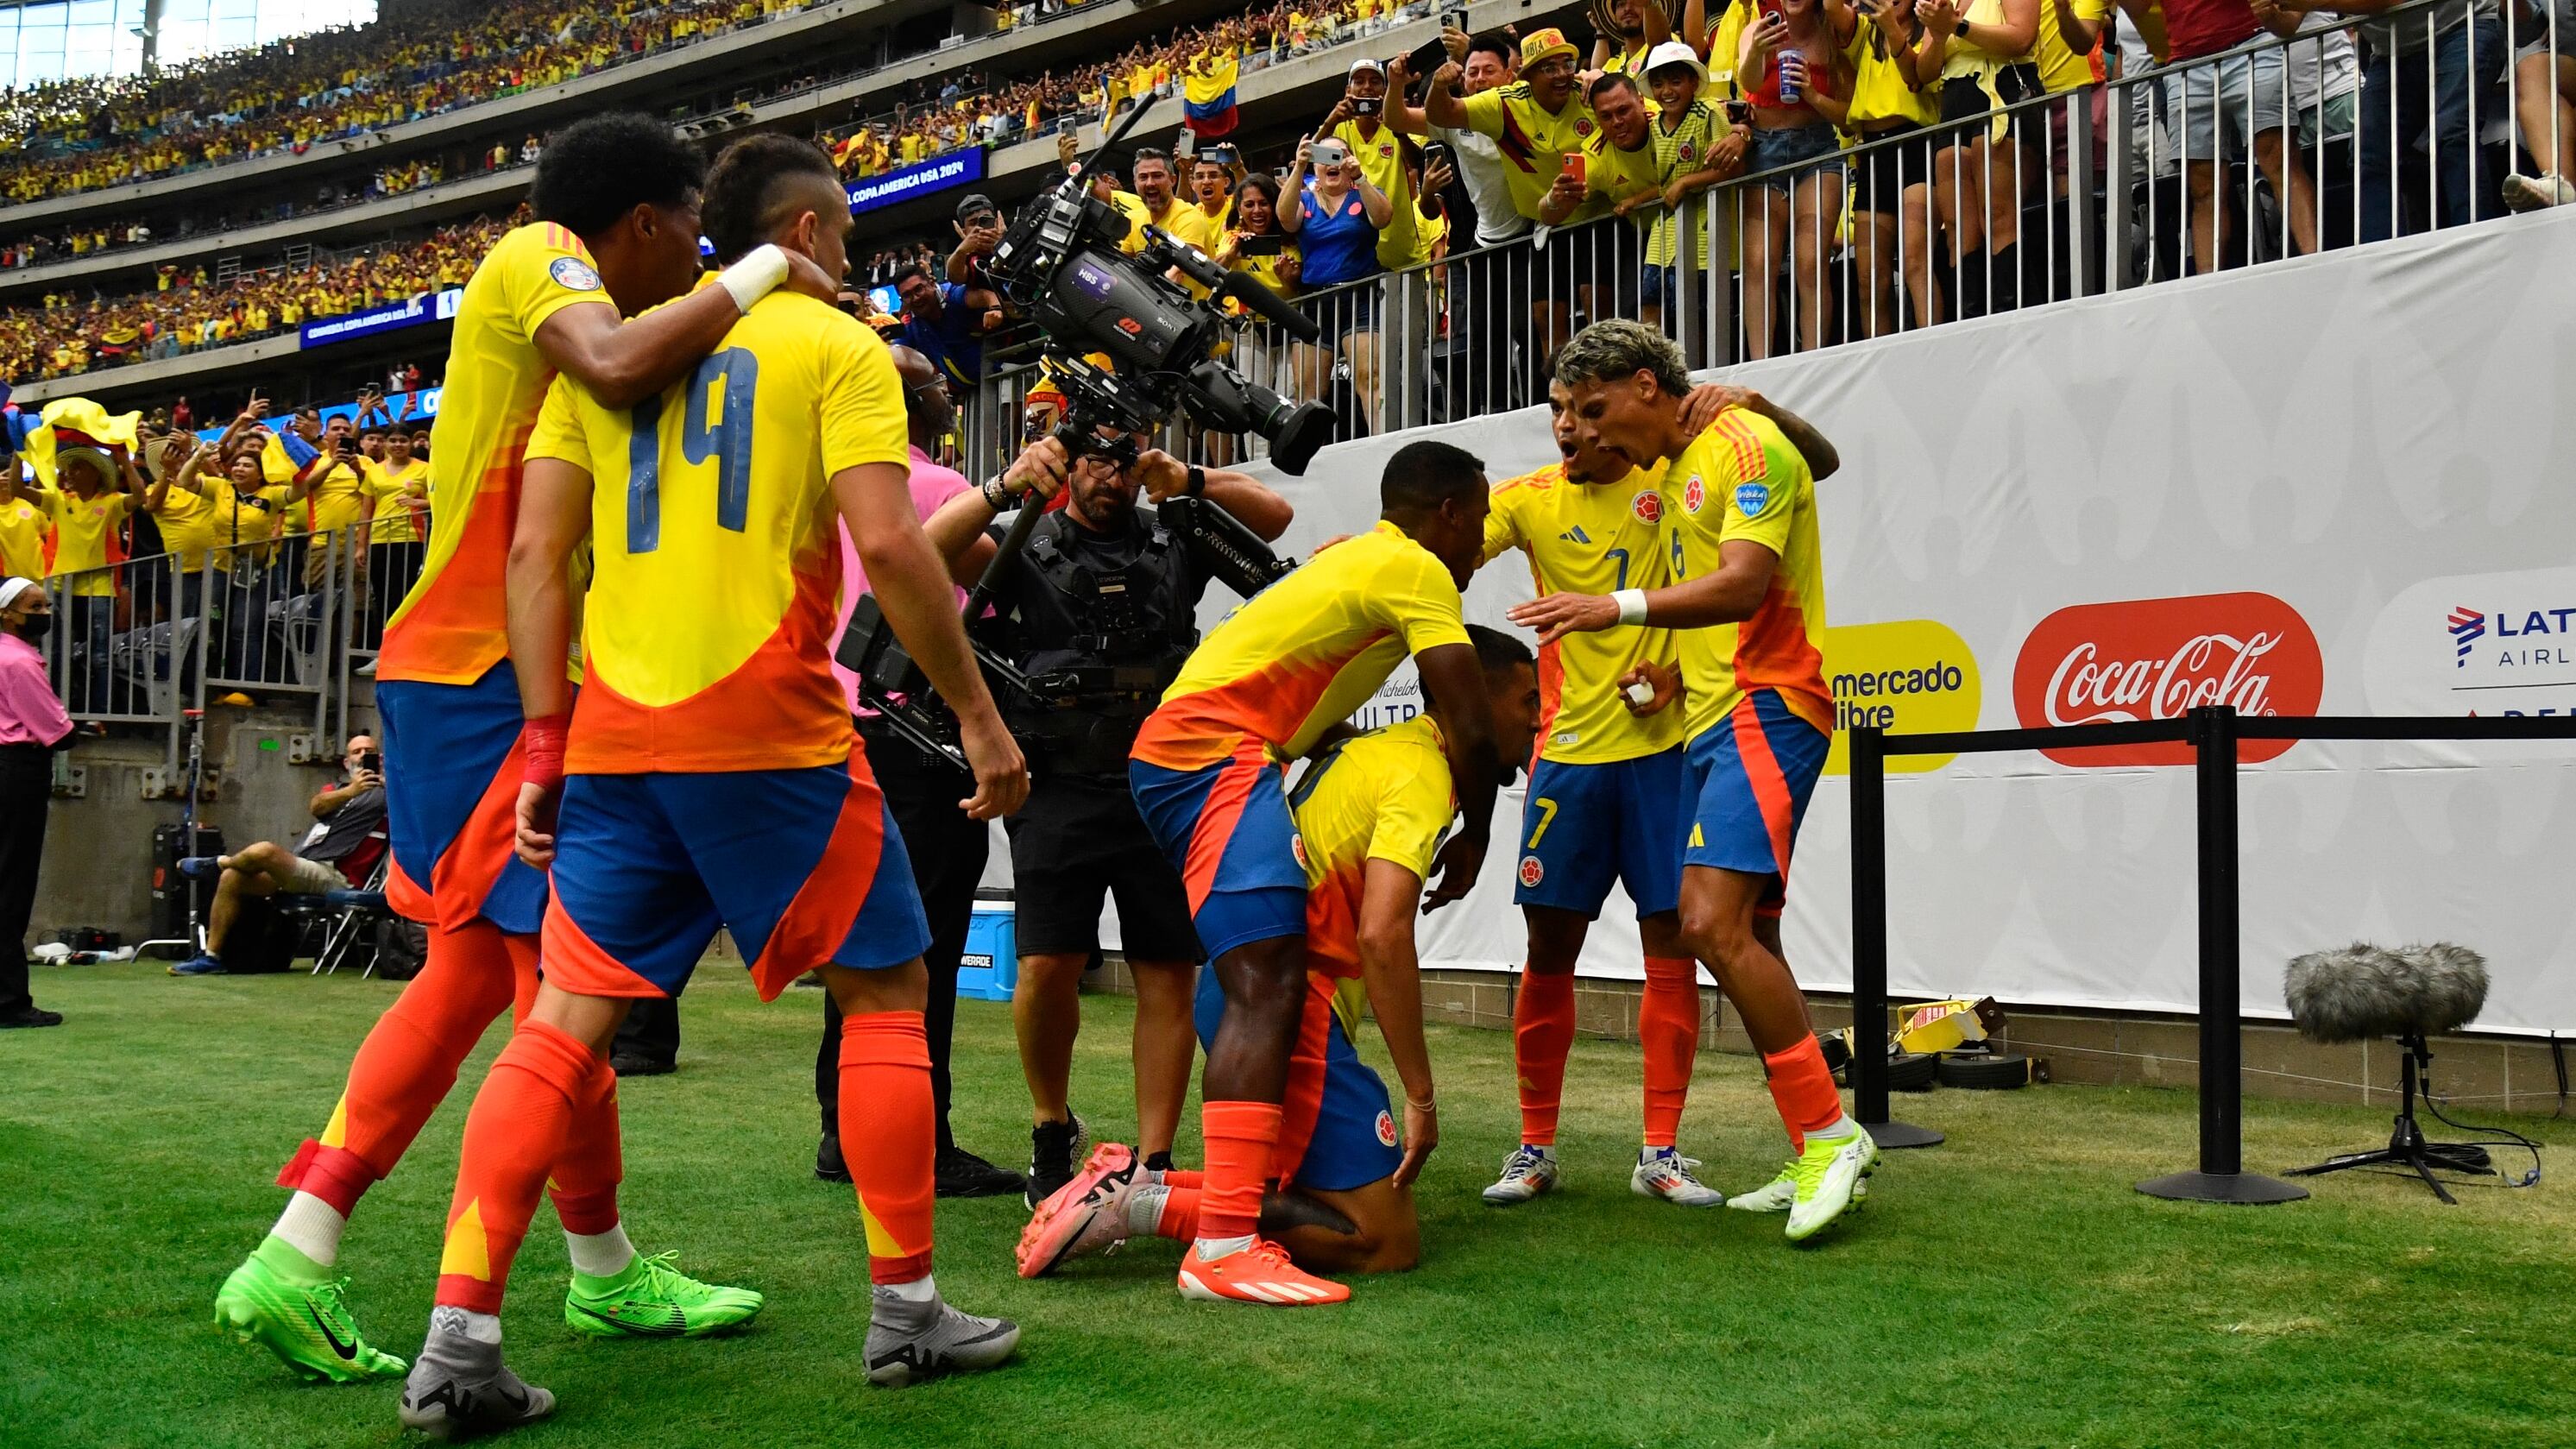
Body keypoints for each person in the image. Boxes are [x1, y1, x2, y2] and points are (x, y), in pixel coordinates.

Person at [400, 133, 1029, 1435]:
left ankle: (457, 1338)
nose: (849, 257)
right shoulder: (833, 345)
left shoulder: (610, 365)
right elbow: (891, 543)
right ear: (802, 235)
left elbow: (535, 560)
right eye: (844, 234)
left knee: (558, 1026)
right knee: (884, 996)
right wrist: (977, 714)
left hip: (614, 743)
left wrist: (543, 743)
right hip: (772, 733)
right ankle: (907, 1309)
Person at [212, 112, 839, 1394]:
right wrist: (770, 266)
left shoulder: (598, 311)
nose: (701, 258)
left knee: (506, 981)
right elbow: (607, 362)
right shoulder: (539, 253)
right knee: (543, 990)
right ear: (648, 222)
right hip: (487, 683)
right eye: (695, 235)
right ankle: (336, 1258)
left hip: (478, 678)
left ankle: (581, 1266)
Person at [1022, 626, 1545, 1279]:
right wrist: (1421, 1096)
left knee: (1293, 1191)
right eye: (1528, 700)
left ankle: (1138, 1188)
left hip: (1241, 994)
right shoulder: (1419, 772)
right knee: (1385, 1239)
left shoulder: (1380, 749)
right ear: (1474, 700)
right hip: (1290, 1013)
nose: (1537, 719)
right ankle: (1141, 1204)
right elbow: (1382, 937)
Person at [1514, 319, 1877, 1241]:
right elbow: (1818, 466)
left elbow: (1746, 583)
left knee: (1704, 923)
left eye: (1596, 408)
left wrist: (1614, 607)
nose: (1583, 431)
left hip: (1768, 705)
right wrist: (1671, 670)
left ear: (1646, 385)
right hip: (1709, 720)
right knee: (1749, 933)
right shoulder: (1681, 462)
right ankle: (1812, 1141)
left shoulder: (1743, 443)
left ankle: (1832, 1135)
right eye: (1569, 413)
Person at [1127, 439, 1502, 1307]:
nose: (1481, 544)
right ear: (1446, 512)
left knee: (1266, 977)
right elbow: (1470, 716)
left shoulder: (1358, 558)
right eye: (1478, 522)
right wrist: (1478, 834)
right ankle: (1221, 1244)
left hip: (1205, 750)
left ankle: (1159, 1204)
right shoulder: (1415, 568)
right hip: (1210, 751)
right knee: (1267, 982)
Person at [918, 424, 1292, 1205]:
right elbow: (928, 549)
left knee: (1166, 969)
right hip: (1057, 785)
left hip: (1163, 784)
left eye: (1123, 462)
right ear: (1068, 464)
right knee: (1045, 964)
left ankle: (1153, 1160)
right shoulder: (1025, 543)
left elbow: (1275, 516)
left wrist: (1187, 477)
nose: (1110, 477)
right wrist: (1005, 483)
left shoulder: (1173, 537)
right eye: (1094, 459)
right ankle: (1050, 1128)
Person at [812, 343, 1025, 1201]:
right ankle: (918, 1137)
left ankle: (843, 1129)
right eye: (938, 385)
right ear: (915, 404)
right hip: (913, 726)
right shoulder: (932, 488)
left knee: (863, 934)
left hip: (838, 726)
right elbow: (1003, 587)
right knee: (924, 938)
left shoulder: (828, 492)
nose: (948, 396)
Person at [1424, 28, 1603, 384]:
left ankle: (1598, 389)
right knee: (1514, 331)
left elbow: (1631, 106)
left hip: (1585, 227)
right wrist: (1427, 85)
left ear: (1512, 73)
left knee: (1585, 315)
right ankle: (1551, 399)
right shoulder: (1499, 106)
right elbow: (1429, 114)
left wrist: (1596, 76)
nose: (1561, 74)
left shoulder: (1586, 92)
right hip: (1520, 235)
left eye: (1566, 64)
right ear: (1528, 74)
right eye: (1548, 67)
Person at [2107, 0, 2321, 270]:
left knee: (2279, 161)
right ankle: (2209, 283)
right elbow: (2138, 7)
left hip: (2249, 40)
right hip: (2187, 61)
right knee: (2203, 186)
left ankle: (2317, 263)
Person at [168, 736, 390, 977]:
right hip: (308, 862)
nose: (363, 754)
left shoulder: (391, 793)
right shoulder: (337, 789)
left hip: (338, 875)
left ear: (379, 758)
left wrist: (388, 783)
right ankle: (211, 957)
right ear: (347, 763)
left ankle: (217, 863)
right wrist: (352, 790)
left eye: (369, 751)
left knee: (264, 851)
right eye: (357, 751)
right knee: (232, 877)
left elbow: (413, 808)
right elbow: (316, 806)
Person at [1394, 29, 1531, 418]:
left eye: (1490, 70)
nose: (1480, 78)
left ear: (1510, 74)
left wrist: (1470, 52)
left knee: (1529, 328)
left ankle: (1541, 404)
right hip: (1480, 245)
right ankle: (1492, 411)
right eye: (1473, 72)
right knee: (1483, 338)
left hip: (1530, 234)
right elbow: (1398, 117)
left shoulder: (1524, 105)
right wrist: (1397, 84)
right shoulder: (1453, 125)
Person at [1733, 0, 1855, 354]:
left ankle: (1812, 357)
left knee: (1811, 260)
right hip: (1763, 149)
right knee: (1758, 263)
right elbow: (1749, 81)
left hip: (1817, 147)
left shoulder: (1833, 32)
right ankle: (1761, 363)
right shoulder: (1758, 28)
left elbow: (1848, 116)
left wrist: (1812, 94)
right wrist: (1757, 50)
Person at [1842, 0, 1945, 333]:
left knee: (1916, 261)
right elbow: (1830, 8)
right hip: (1874, 153)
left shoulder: (1929, 29)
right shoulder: (1863, 32)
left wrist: (1890, 26)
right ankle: (1878, 353)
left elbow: (1916, 77)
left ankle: (1934, 344)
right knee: (1870, 278)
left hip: (1918, 143)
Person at [1282, 135, 1393, 437]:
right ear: (1315, 166)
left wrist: (1361, 177)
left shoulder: (1363, 192)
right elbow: (1286, 220)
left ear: (1350, 160)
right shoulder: (1305, 199)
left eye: (1340, 155)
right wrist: (1298, 167)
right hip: (1315, 301)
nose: (1332, 162)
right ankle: (1308, 454)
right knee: (1307, 389)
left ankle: (1381, 444)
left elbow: (1383, 218)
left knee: (1370, 377)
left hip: (1360, 296)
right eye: (1323, 156)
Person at [1, 577, 71, 1030]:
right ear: (7, 613)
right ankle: (8, 1001)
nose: (44, 614)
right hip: (16, 771)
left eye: (46, 605)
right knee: (11, 886)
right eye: (35, 606)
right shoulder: (20, 661)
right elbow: (58, 731)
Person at [41, 438, 141, 716]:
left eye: (77, 468)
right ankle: (56, 713)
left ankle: (99, 715)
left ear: (95, 472)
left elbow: (140, 497)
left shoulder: (111, 502)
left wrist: (123, 460)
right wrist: (20, 454)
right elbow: (17, 489)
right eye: (69, 468)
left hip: (100, 587)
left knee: (100, 654)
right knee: (57, 652)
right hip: (60, 585)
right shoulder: (59, 499)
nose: (70, 473)